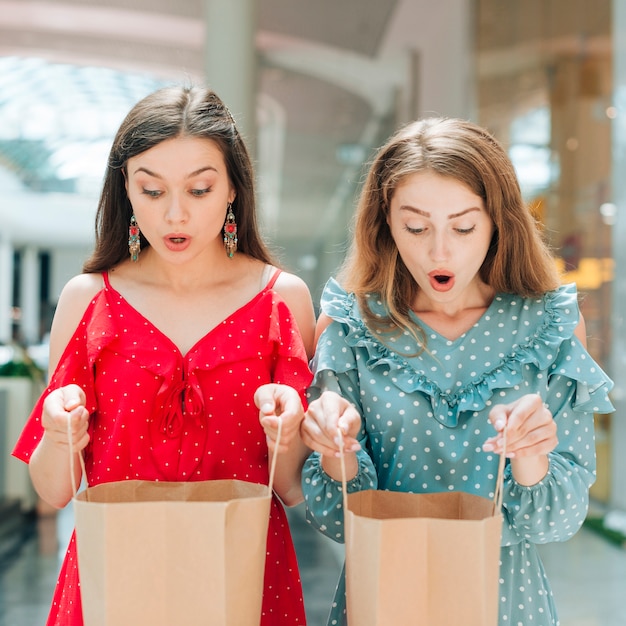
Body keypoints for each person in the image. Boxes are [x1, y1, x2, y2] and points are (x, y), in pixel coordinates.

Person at [12, 85, 316, 626]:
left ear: (232, 191)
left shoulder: (282, 298)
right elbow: (54, 488)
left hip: (244, 580)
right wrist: (61, 435)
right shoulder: (89, 299)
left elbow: (292, 489)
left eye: (199, 190)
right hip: (117, 578)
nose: (176, 215)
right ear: (125, 190)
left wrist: (288, 433)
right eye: (152, 191)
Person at [299, 116, 614, 625]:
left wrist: (532, 457)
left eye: (463, 227)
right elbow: (336, 519)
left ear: (498, 222)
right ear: (385, 222)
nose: (438, 251)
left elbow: (562, 519)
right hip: (383, 597)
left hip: (506, 602)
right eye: (416, 227)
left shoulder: (550, 323)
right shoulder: (351, 322)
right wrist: (339, 453)